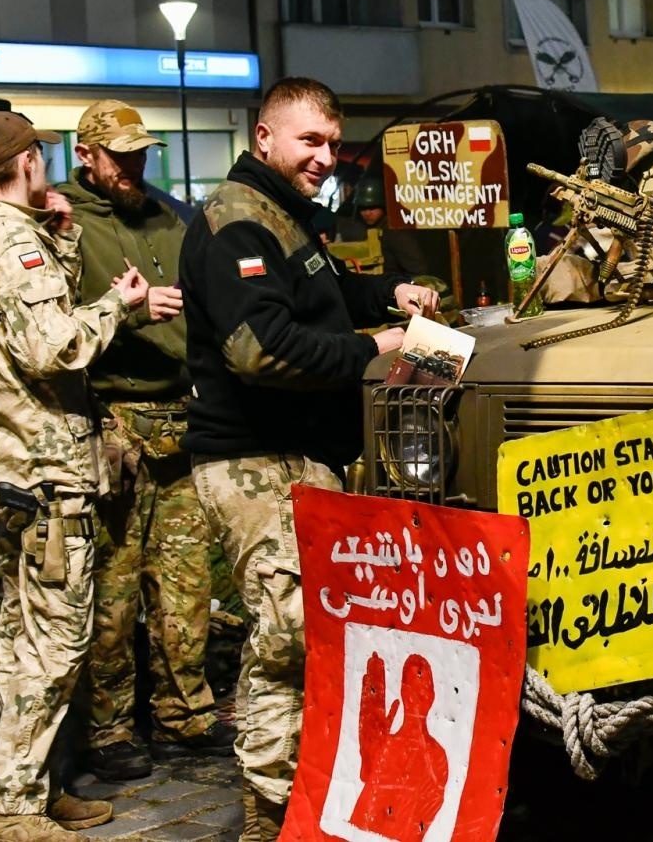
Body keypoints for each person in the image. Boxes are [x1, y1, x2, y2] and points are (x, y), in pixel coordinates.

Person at [179, 77, 437, 842]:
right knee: (290, 636)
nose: (325, 158)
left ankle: (303, 803)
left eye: (332, 143)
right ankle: (268, 815)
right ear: (264, 139)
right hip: (253, 461)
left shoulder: (284, 217)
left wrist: (391, 293)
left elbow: (319, 292)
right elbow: (261, 349)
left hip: (301, 458)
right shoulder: (236, 223)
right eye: (308, 142)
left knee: (312, 636)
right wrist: (377, 347)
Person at [0, 111, 151, 842]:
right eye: (43, 156)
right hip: (46, 474)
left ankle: (34, 787)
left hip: (12, 472)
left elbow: (19, 318)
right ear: (27, 161)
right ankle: (9, 812)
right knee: (55, 645)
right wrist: (116, 306)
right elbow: (53, 345)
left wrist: (61, 236)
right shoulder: (10, 245)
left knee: (20, 639)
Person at [57, 100, 234, 783]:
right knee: (114, 588)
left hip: (181, 417)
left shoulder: (166, 215)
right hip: (116, 421)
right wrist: (128, 315)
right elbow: (53, 331)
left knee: (186, 584)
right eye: (120, 155)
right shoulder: (64, 225)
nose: (134, 166)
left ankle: (184, 712)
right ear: (86, 155)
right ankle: (107, 730)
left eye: (140, 154)